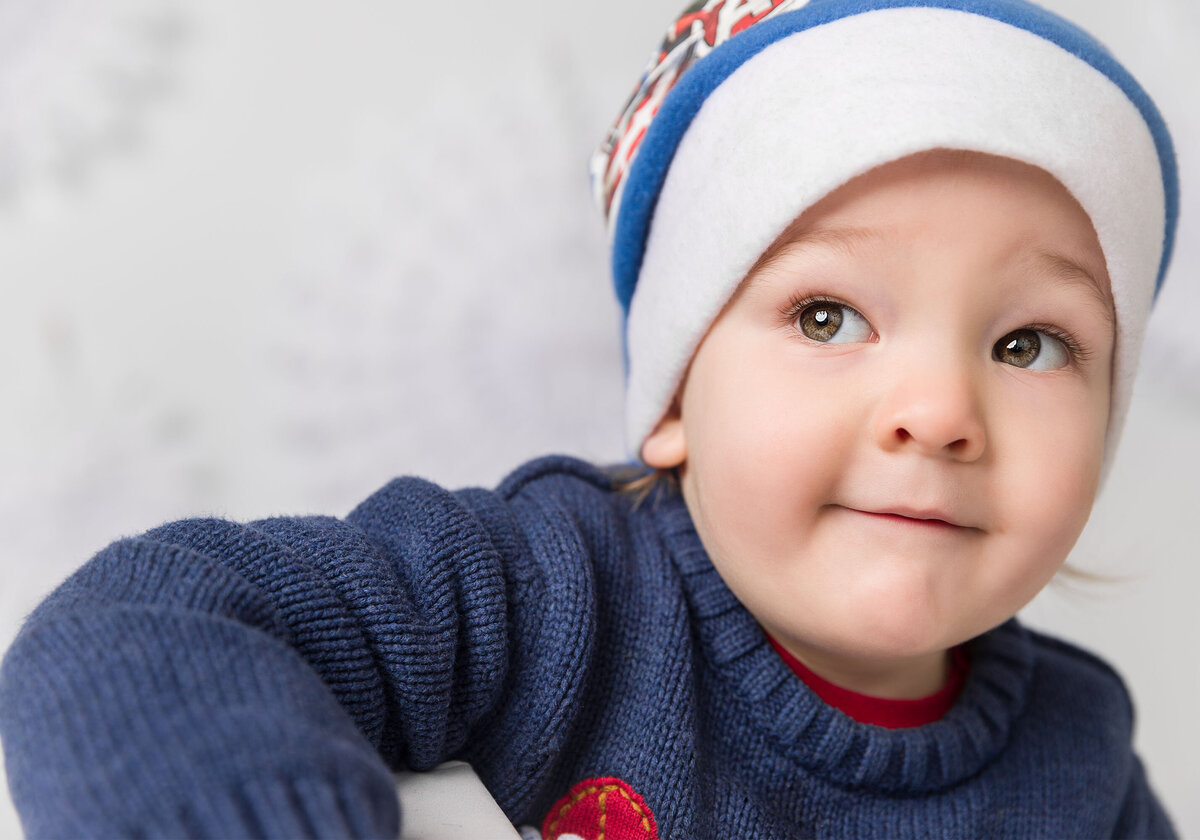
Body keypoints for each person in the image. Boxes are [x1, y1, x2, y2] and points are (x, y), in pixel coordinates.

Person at [0, 0, 1180, 837]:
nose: (937, 413)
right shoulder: (542, 594)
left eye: (1030, 344)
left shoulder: (1080, 766)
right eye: (827, 317)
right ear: (673, 395)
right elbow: (144, 620)